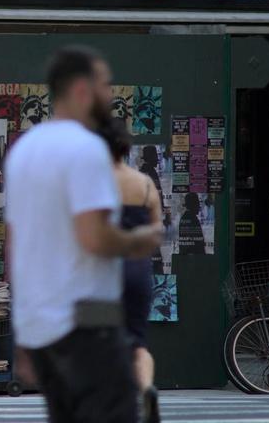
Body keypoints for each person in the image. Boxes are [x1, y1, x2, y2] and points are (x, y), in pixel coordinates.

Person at [4, 45, 162, 423]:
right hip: (87, 320)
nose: (110, 94)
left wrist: (22, 334)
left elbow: (15, 246)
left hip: (41, 326)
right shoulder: (87, 149)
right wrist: (138, 241)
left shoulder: (24, 150)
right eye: (105, 84)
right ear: (81, 90)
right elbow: (94, 237)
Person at [99, 118, 162, 423]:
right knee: (137, 342)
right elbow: (156, 232)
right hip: (137, 270)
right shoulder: (145, 184)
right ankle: (146, 388)